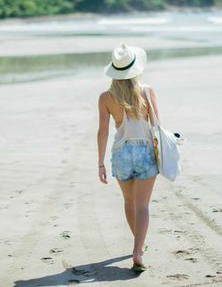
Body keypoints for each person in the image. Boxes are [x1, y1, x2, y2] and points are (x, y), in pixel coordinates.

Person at [97, 43, 160, 273]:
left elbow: (103, 132)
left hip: (121, 153)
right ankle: (137, 251)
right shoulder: (146, 91)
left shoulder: (106, 97)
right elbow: (157, 126)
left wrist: (101, 163)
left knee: (129, 202)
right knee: (142, 205)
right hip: (144, 151)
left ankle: (138, 244)